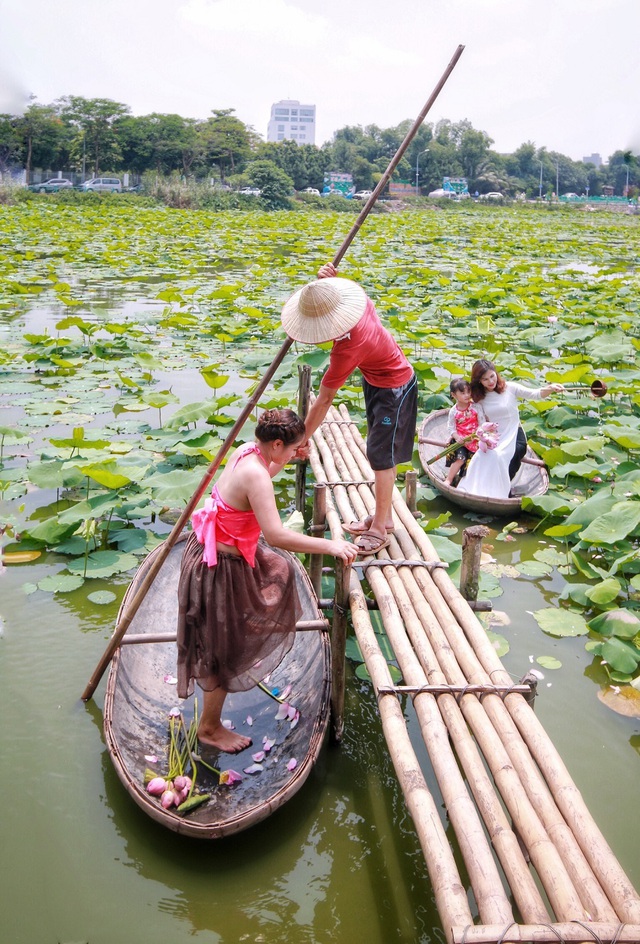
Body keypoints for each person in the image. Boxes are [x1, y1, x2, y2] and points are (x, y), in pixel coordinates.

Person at [176, 408, 358, 754]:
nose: (295, 454)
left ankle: (244, 641)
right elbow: (275, 536)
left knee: (280, 572)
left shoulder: (249, 451)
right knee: (222, 649)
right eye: (292, 449)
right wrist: (330, 545)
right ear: (276, 443)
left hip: (212, 550)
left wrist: (284, 461)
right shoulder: (255, 475)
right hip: (218, 567)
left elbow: (265, 473)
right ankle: (209, 728)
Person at [281, 262, 418, 556]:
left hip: (394, 387)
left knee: (380, 455)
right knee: (382, 450)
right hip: (377, 380)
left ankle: (379, 528)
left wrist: (301, 438)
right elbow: (339, 296)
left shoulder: (347, 349)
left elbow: (325, 400)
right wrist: (328, 284)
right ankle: (386, 517)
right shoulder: (361, 304)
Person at [458, 359, 563, 499]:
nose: (490, 381)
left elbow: (536, 394)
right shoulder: (479, 398)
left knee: (513, 452)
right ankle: (483, 488)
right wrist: (482, 436)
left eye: (492, 376)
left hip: (514, 431)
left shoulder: (510, 388)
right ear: (479, 381)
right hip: (494, 435)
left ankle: (502, 489)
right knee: (484, 457)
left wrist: (550, 388)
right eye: (485, 379)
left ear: (496, 373)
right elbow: (478, 420)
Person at [444, 378, 483, 486]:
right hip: (460, 441)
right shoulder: (453, 411)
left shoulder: (476, 407)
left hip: (475, 440)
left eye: (468, 392)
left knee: (475, 462)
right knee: (460, 459)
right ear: (454, 395)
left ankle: (466, 483)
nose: (467, 395)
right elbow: (451, 427)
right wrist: (457, 437)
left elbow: (482, 423)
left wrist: (477, 435)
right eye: (462, 393)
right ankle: (449, 479)